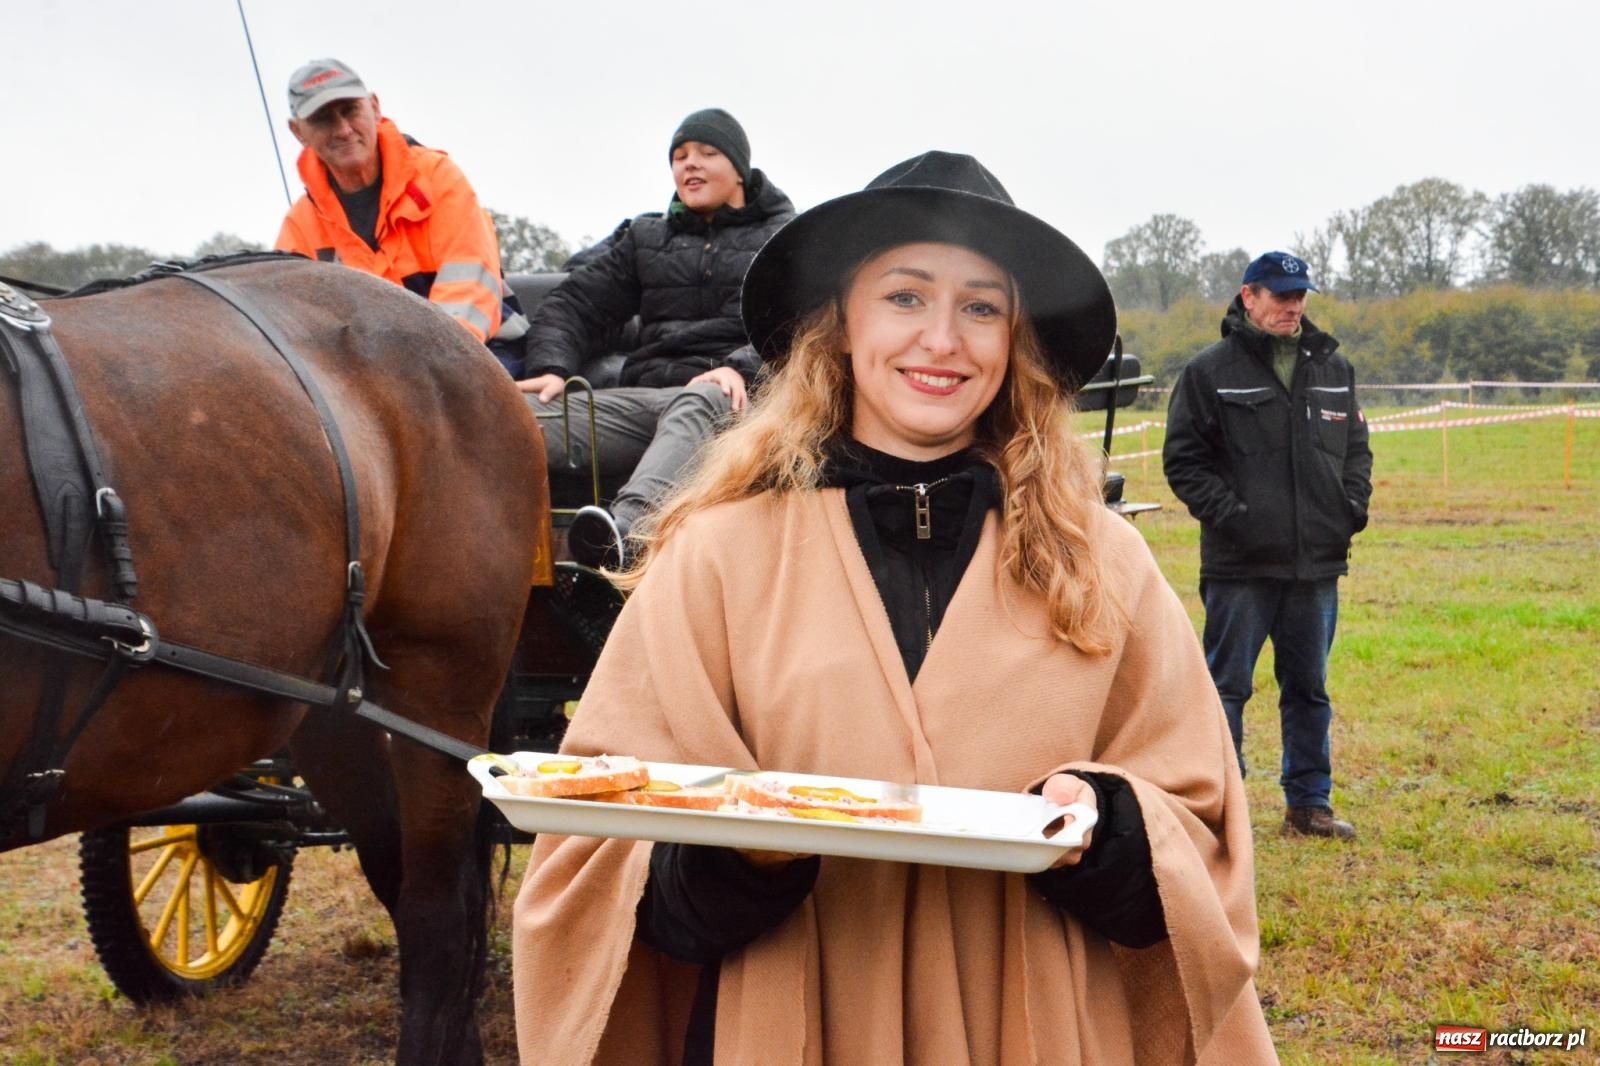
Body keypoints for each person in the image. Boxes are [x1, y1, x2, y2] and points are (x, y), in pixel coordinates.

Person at [512, 152, 1277, 1064]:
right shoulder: (719, 558)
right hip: (789, 1018)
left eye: (981, 306)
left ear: (1015, 338)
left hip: (1036, 1024)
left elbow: (1200, 831)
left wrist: (1108, 825)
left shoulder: (1103, 563)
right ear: (840, 323)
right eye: (906, 297)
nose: (943, 340)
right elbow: (592, 857)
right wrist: (733, 853)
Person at [515, 108, 794, 568]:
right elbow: (573, 304)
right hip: (645, 401)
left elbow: (801, 322)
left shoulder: (783, 239)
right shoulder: (646, 238)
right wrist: (550, 368)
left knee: (703, 396)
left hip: (739, 404)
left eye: (707, 152)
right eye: (680, 155)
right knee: (514, 415)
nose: (690, 164)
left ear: (740, 170)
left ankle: (623, 539)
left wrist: (738, 366)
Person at [1162, 251, 1373, 840]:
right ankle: (1219, 810)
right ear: (1249, 296)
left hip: (1316, 565)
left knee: (1309, 690)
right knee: (1225, 688)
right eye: (1280, 295)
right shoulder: (1209, 372)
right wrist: (1236, 518)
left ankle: (1309, 806)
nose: (1293, 305)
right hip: (1240, 566)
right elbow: (1184, 461)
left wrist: (1350, 508)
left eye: (1300, 294)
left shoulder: (1334, 367)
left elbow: (1356, 449)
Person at [274, 58, 529, 372]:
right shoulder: (299, 227)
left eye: (350, 110)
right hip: (371, 381)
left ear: (375, 107)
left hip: (482, 351)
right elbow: (291, 332)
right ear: (298, 131)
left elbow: (469, 291)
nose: (343, 129)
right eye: (323, 119)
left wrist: (412, 374)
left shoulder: (439, 179)